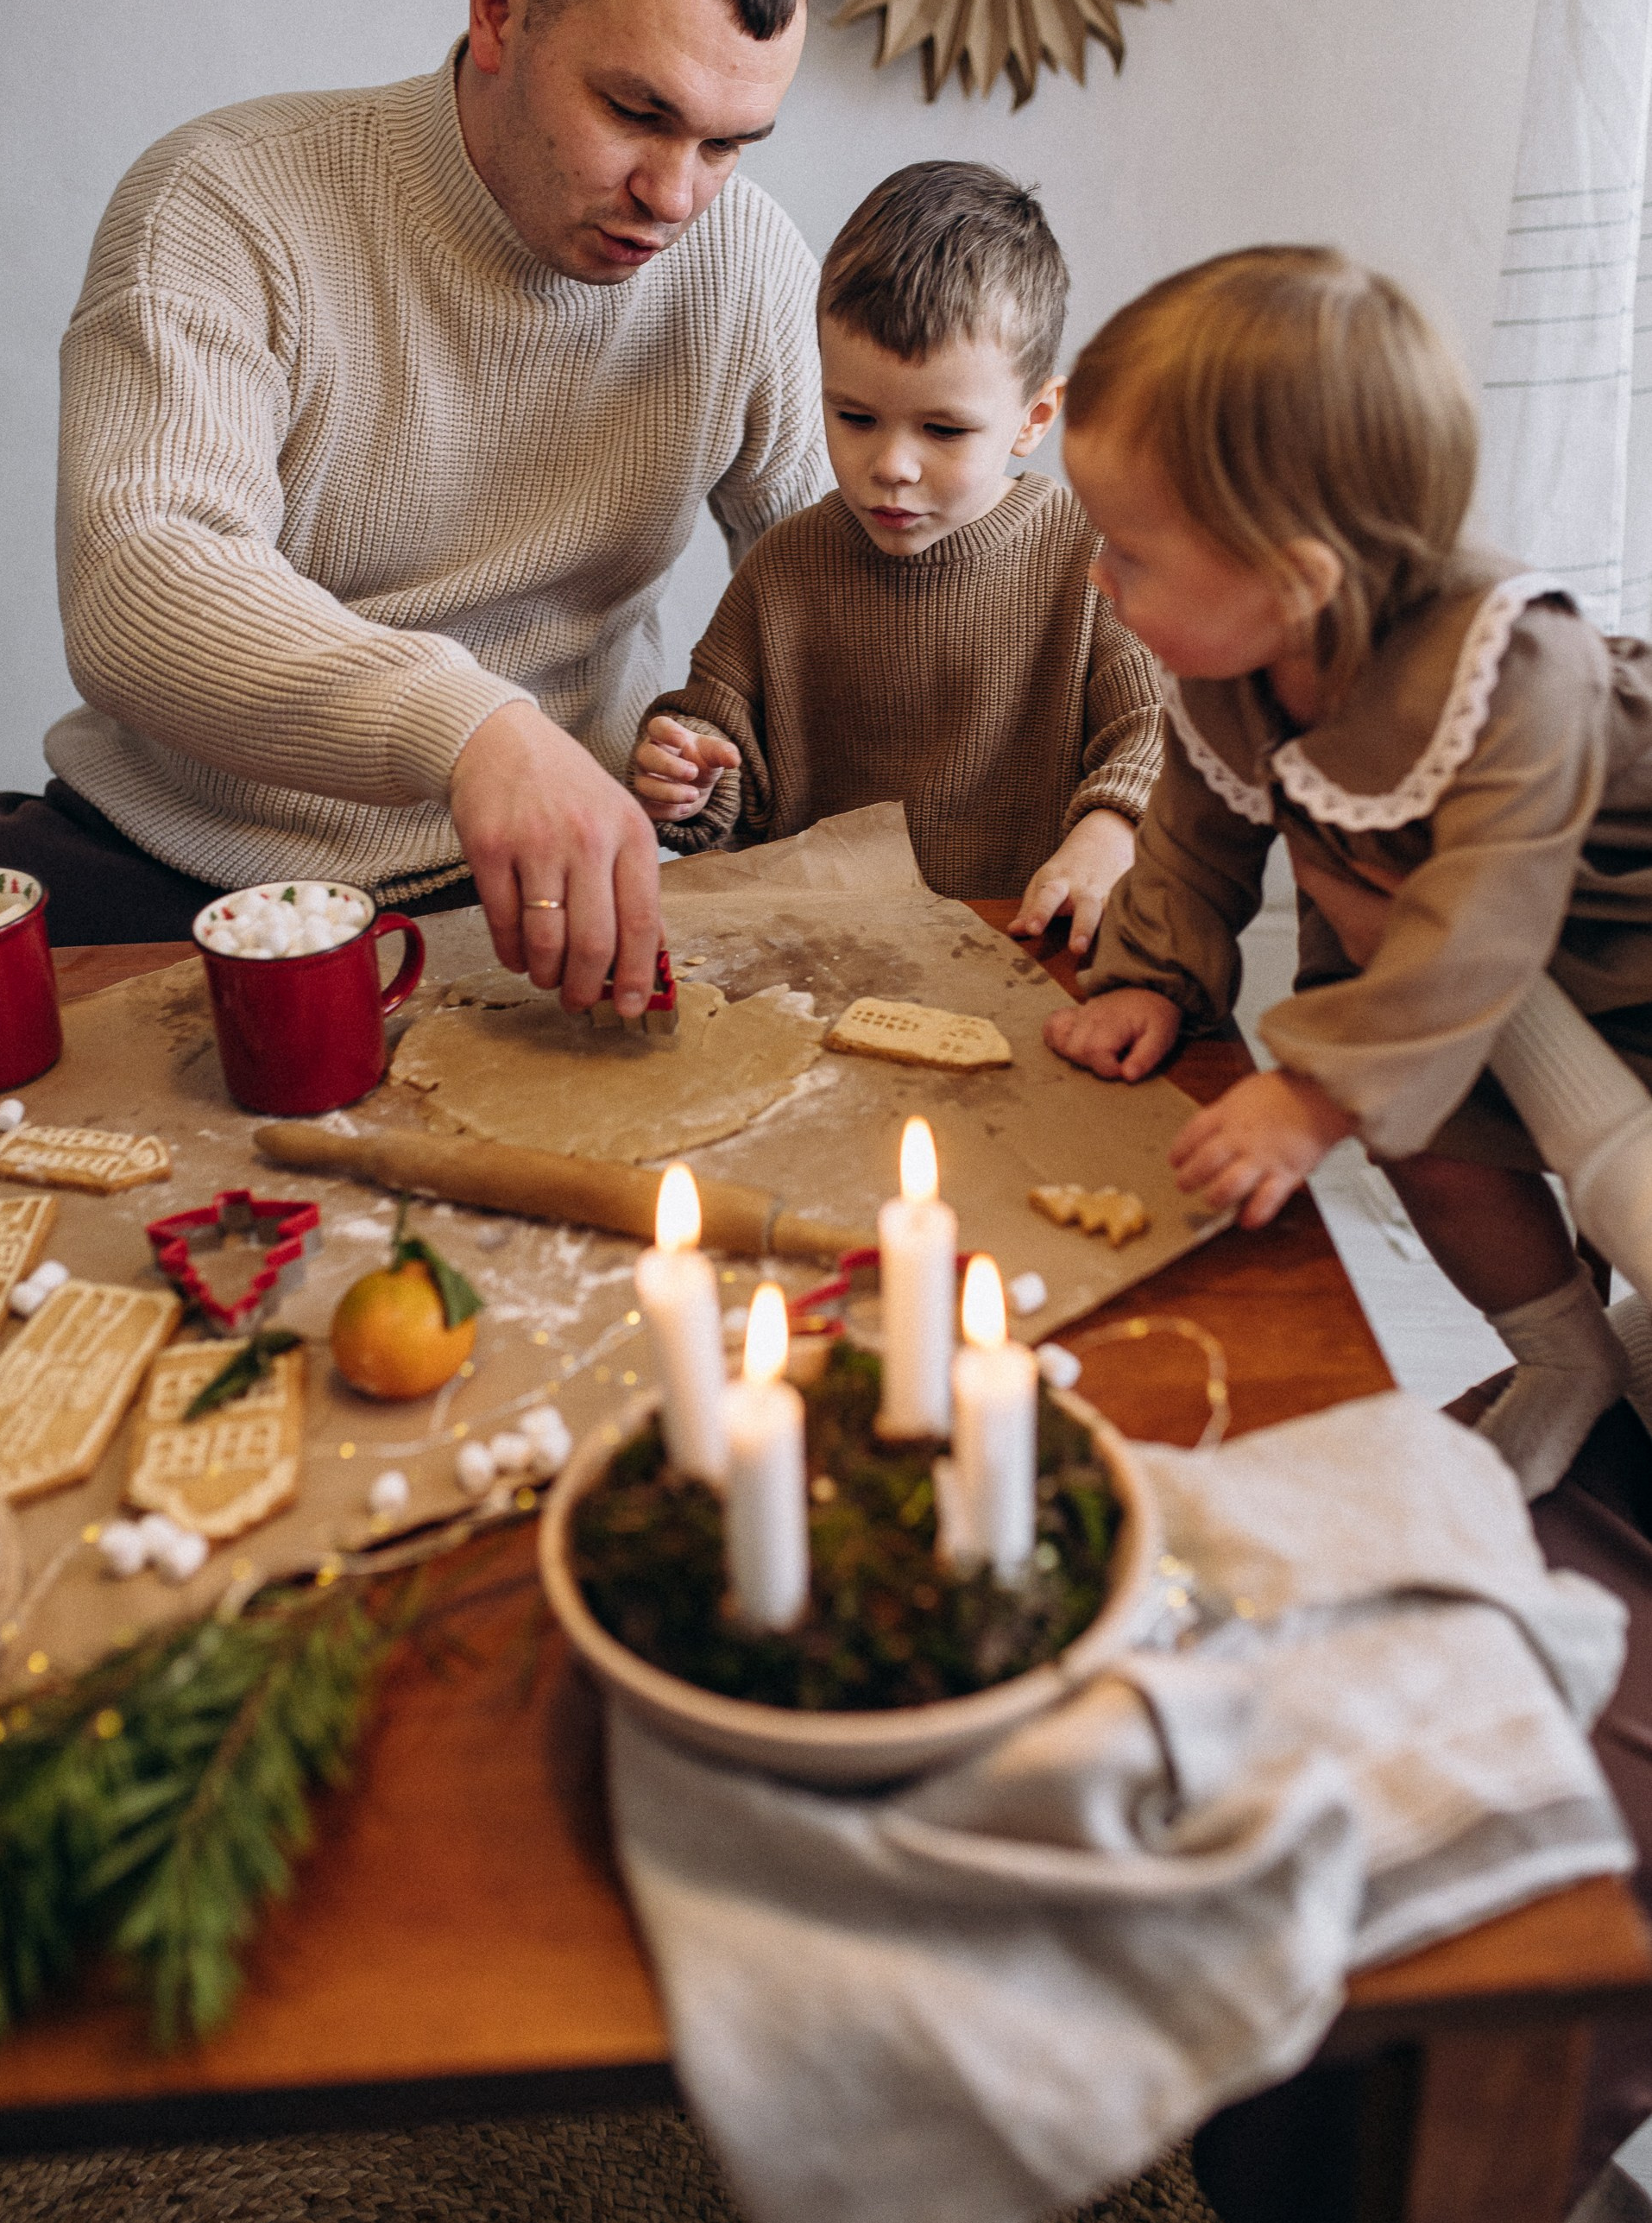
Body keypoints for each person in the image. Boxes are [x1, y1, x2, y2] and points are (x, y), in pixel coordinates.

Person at [0, 0, 826, 1016]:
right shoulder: (226, 201)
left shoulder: (751, 262)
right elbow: (142, 579)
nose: (676, 196)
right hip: (172, 872)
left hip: (551, 898)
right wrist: (474, 733)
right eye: (636, 111)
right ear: (500, 13)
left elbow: (840, 594)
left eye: (731, 144)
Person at [1044, 243, 1652, 1496]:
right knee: (1427, 1143)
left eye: (1128, 552)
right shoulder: (1231, 667)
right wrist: (1151, 973)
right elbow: (1196, 832)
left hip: (1613, 942)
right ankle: (1558, 1354)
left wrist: (1317, 1093)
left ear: (1299, 577)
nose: (1099, 576)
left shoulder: (1518, 668)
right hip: (1421, 993)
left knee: (1567, 1164)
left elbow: (1487, 919)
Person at [627, 162, 1162, 937]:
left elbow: (1158, 730)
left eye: (943, 430)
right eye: (854, 417)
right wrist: (688, 774)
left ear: (1035, 415)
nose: (892, 466)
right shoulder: (786, 567)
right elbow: (722, 745)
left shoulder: (1091, 558)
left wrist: (1113, 830)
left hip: (1030, 947)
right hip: (817, 958)